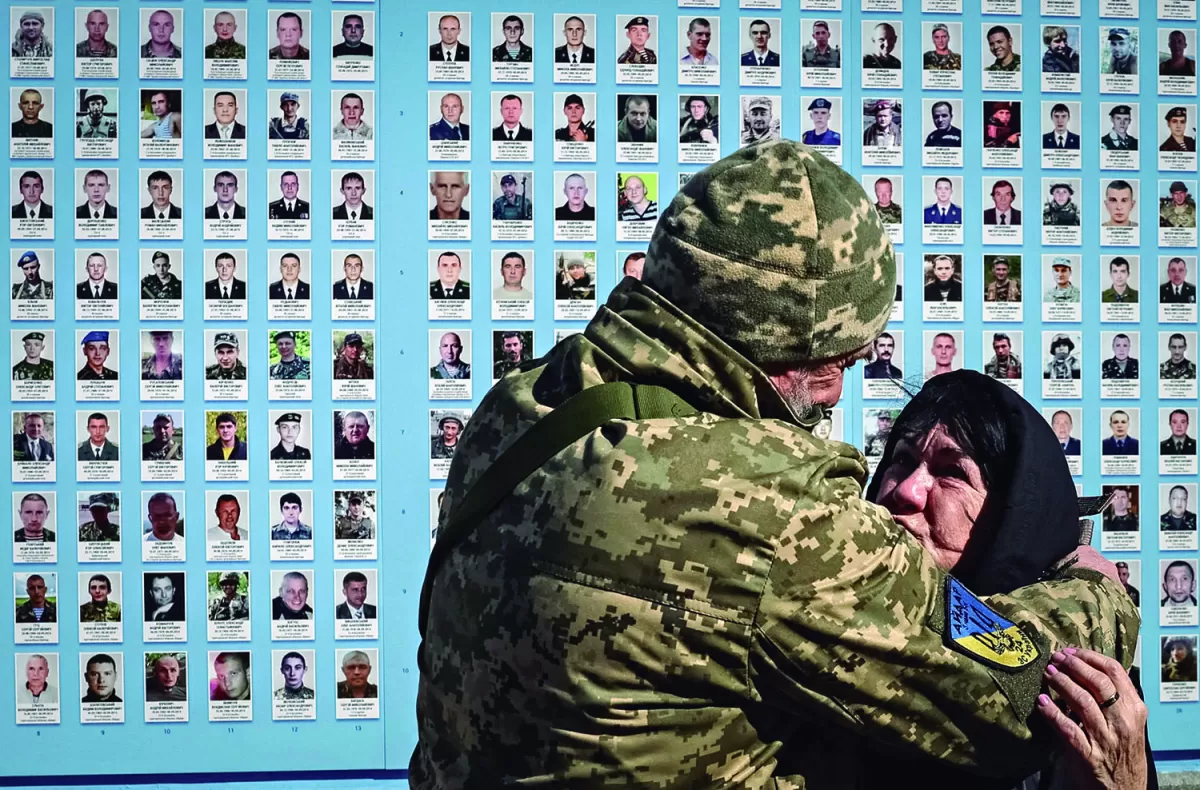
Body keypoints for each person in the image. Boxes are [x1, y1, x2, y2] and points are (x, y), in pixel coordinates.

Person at [412, 142, 1141, 789]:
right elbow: (1006, 702)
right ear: (790, 342)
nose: (840, 391)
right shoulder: (769, 504)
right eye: (842, 361)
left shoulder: (517, 412)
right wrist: (1095, 593)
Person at [864, 371, 1150, 790]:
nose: (907, 490)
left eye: (951, 472)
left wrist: (1125, 780)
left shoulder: (1087, 679)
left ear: (1010, 516)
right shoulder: (842, 613)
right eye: (903, 459)